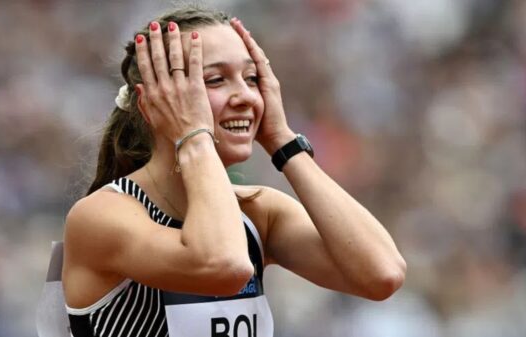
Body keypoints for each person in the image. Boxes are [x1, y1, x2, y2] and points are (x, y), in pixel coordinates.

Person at [60, 5, 406, 337]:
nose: (245, 96)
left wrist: (283, 141)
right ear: (153, 102)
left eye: (252, 78)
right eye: (215, 80)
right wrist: (192, 135)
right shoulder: (102, 216)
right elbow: (225, 266)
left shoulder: (258, 212)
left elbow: (381, 274)